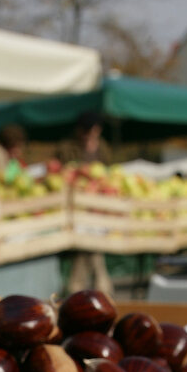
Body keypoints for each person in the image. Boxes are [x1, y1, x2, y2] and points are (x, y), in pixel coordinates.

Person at [59, 111, 113, 295]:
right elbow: (60, 173)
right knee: (91, 250)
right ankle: (101, 289)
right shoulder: (68, 148)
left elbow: (109, 175)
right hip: (77, 209)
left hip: (98, 208)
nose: (90, 135)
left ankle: (78, 290)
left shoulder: (103, 148)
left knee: (90, 251)